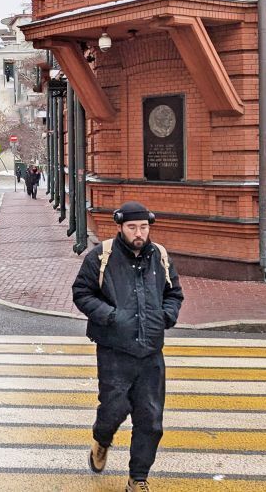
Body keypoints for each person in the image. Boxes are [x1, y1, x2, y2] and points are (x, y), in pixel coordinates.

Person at [71, 201, 184, 492]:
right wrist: (110, 316)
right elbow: (82, 292)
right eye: (133, 227)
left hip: (150, 352)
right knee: (114, 409)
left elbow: (174, 294)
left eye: (144, 227)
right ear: (120, 226)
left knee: (150, 419)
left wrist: (166, 316)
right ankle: (102, 440)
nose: (139, 233)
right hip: (114, 350)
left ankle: (138, 478)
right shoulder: (102, 256)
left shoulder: (160, 256)